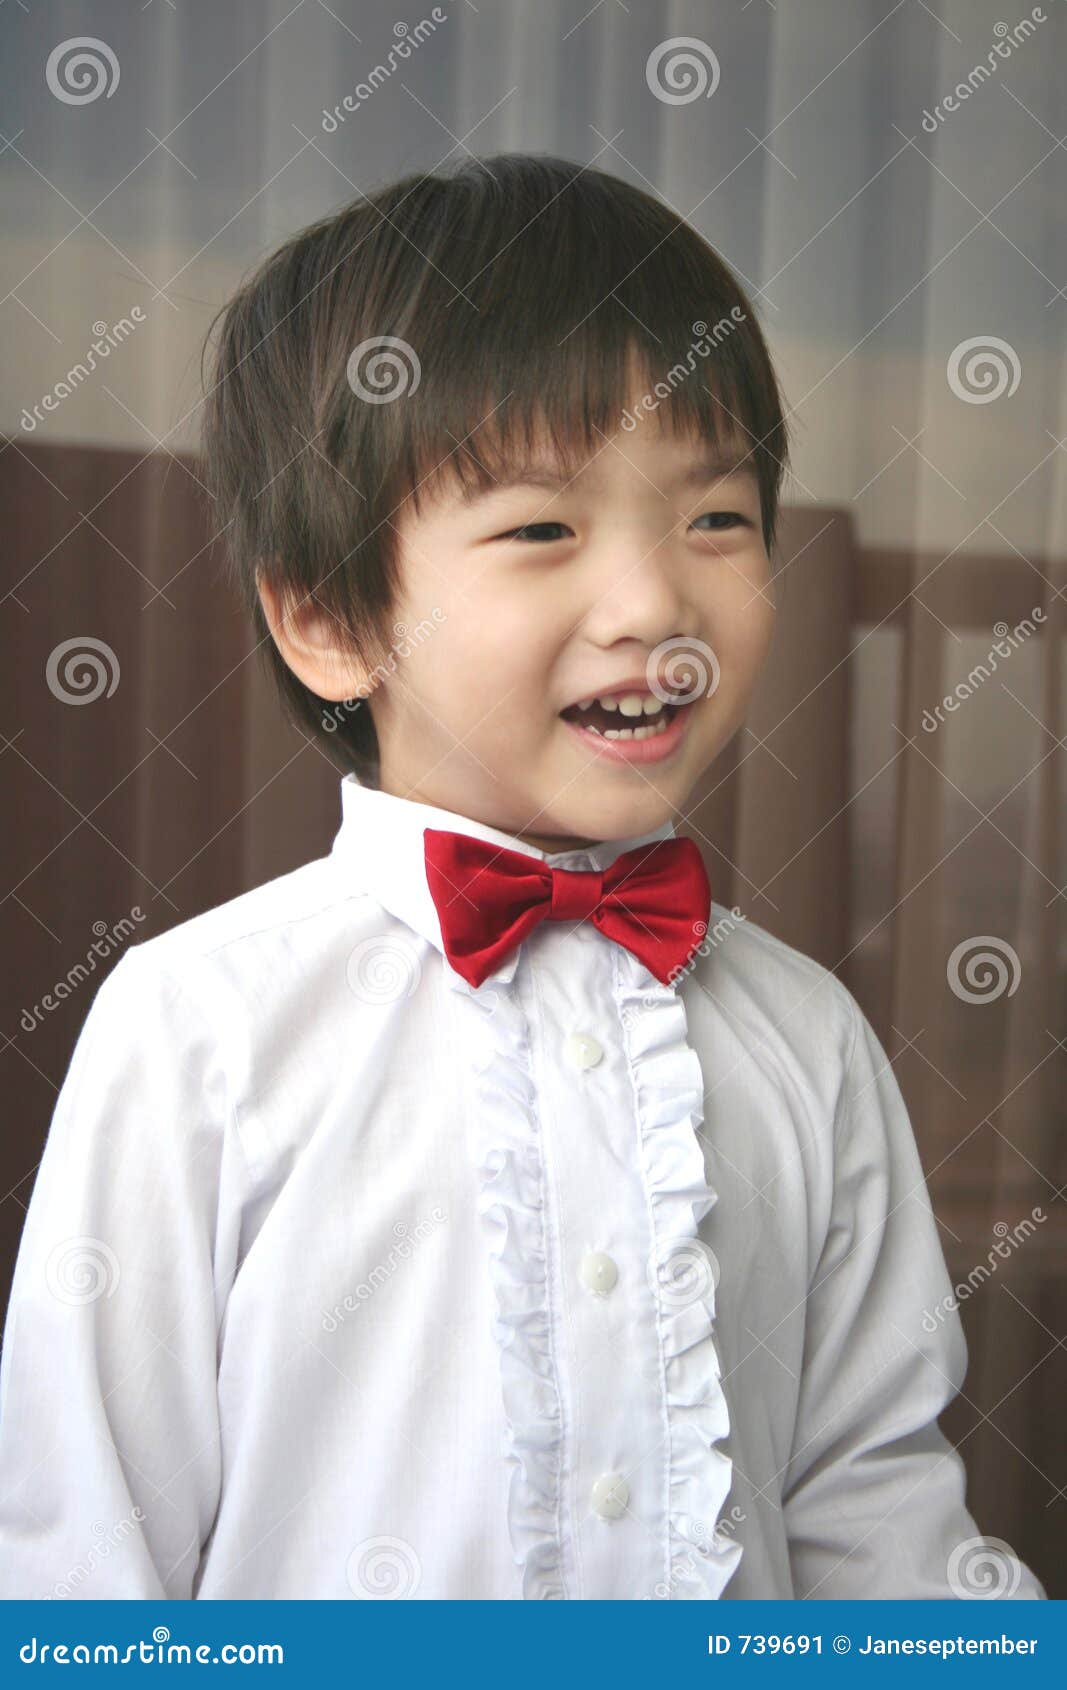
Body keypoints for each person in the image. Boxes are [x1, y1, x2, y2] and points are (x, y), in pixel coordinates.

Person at [0, 153, 1044, 1601]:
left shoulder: (809, 1042)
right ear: (327, 619)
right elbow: (80, 1559)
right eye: (542, 528)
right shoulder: (197, 1027)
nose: (652, 602)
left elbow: (871, 1502)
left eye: (717, 517)